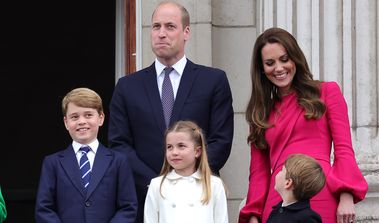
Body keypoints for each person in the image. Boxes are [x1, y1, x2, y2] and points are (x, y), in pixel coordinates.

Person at [108, 1, 234, 222]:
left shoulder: (212, 81)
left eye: (169, 26)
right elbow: (119, 145)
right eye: (156, 27)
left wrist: (186, 180)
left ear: (186, 32)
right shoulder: (127, 86)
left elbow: (220, 141)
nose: (161, 34)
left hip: (199, 200)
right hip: (144, 199)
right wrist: (157, 184)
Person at [238, 27, 368, 223]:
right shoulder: (260, 113)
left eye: (284, 59)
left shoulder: (326, 92)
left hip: (320, 193)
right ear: (262, 69)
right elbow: (259, 172)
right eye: (270, 63)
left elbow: (344, 150)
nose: (279, 68)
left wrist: (346, 195)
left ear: (295, 59)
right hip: (279, 201)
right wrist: (254, 215)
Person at [35, 88, 138, 223]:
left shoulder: (118, 161)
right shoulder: (52, 163)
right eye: (74, 117)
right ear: (66, 122)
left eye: (88, 115)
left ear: (101, 118)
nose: (82, 121)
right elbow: (44, 208)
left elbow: (128, 207)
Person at [144, 120, 228, 223]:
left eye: (181, 146)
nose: (174, 152)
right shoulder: (157, 185)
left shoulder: (214, 184)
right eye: (169, 147)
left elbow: (221, 220)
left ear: (197, 151)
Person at [267, 154, 326, 223]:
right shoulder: (276, 211)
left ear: (288, 183)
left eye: (282, 170)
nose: (278, 172)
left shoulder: (307, 218)